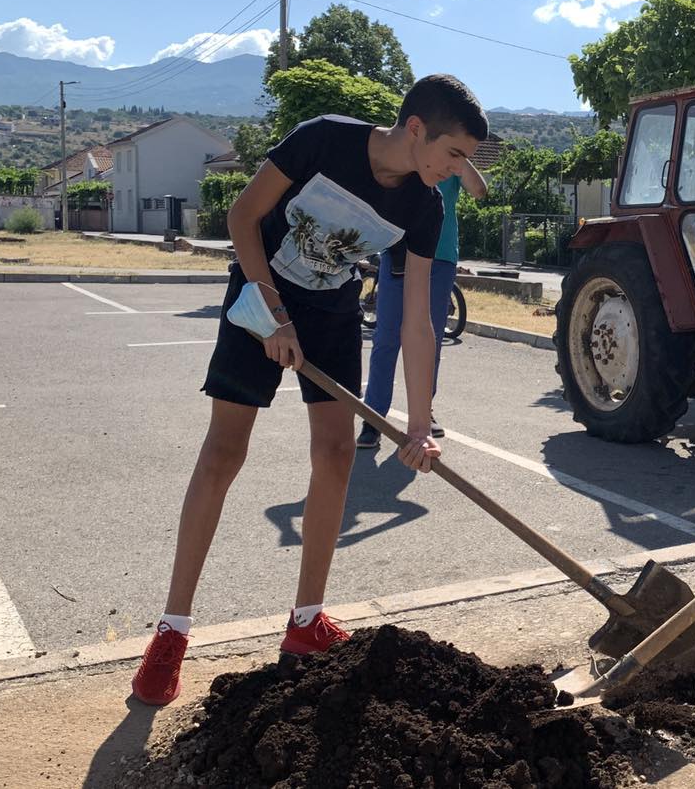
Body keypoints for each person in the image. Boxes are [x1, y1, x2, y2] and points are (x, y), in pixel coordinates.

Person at [129, 74, 488, 706]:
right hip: (261, 292)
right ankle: (172, 633)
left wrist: (419, 425)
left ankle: (305, 622)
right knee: (223, 454)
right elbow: (244, 215)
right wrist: (271, 313)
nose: (459, 169)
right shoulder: (322, 140)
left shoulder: (425, 205)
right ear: (414, 130)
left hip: (330, 310)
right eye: (454, 153)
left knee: (337, 452)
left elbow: (417, 321)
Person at [357, 157, 487, 448]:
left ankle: (424, 411)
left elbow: (479, 190)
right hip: (399, 255)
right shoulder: (411, 156)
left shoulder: (452, 163)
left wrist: (458, 156)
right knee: (386, 338)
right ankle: (374, 418)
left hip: (440, 257)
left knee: (432, 339)